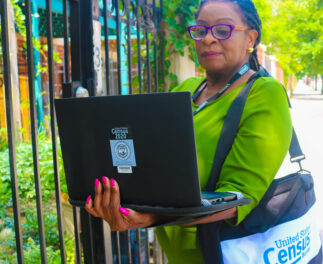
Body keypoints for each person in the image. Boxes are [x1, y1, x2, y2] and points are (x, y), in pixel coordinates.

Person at [85, 0, 292, 263]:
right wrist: (117, 193)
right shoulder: (188, 89)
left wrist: (153, 217)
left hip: (220, 253)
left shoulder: (265, 94)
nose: (208, 39)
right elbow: (153, 162)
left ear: (250, 38)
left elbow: (239, 196)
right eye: (201, 30)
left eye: (222, 30)